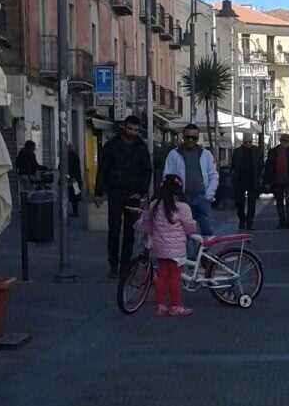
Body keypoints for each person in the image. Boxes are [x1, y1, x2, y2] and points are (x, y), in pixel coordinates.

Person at [94, 115, 152, 278]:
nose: (133, 132)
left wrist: (141, 192)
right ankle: (113, 264)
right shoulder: (111, 146)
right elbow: (103, 169)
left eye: (135, 130)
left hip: (133, 194)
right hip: (115, 191)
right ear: (124, 128)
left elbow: (147, 171)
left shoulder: (141, 147)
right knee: (113, 229)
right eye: (130, 129)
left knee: (129, 232)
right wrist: (98, 192)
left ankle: (125, 266)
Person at [135, 175, 197, 317]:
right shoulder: (182, 207)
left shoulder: (155, 205)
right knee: (175, 277)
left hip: (160, 249)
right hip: (176, 250)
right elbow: (190, 227)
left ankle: (160, 305)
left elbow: (149, 225)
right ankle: (175, 305)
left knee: (161, 277)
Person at [163, 123, 219, 260]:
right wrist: (174, 196)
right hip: (183, 200)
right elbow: (167, 175)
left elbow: (213, 175)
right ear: (183, 136)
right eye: (188, 137)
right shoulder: (174, 154)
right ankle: (192, 261)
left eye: (194, 138)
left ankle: (204, 256)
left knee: (208, 231)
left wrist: (209, 195)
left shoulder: (205, 154)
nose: (190, 140)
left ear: (198, 138)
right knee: (188, 232)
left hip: (202, 197)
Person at [263, 133, 289, 228]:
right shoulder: (273, 152)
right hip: (277, 181)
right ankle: (282, 221)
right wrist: (267, 181)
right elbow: (268, 168)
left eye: (286, 141)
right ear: (280, 141)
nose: (284, 143)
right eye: (283, 141)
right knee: (279, 202)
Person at [230, 132, 261, 231]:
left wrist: (258, 175)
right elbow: (233, 164)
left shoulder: (257, 151)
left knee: (252, 203)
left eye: (250, 142)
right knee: (239, 203)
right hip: (240, 180)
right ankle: (242, 219)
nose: (248, 144)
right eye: (246, 142)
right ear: (242, 142)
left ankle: (249, 223)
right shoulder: (237, 151)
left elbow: (261, 164)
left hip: (252, 180)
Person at [67, 144, 82, 218]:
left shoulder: (71, 157)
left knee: (74, 196)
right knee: (75, 196)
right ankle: (75, 212)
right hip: (76, 179)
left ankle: (75, 213)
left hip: (74, 179)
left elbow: (70, 168)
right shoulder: (74, 156)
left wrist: (69, 177)